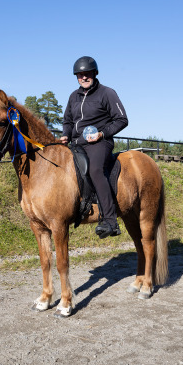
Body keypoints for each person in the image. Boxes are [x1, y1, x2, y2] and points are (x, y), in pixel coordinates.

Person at [61, 56, 128, 238]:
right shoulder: (73, 96)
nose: (83, 77)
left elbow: (122, 120)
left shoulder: (107, 93)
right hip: (76, 144)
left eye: (87, 74)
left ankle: (110, 221)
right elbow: (67, 120)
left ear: (94, 73)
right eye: (79, 75)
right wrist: (66, 134)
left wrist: (102, 133)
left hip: (99, 143)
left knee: (96, 170)